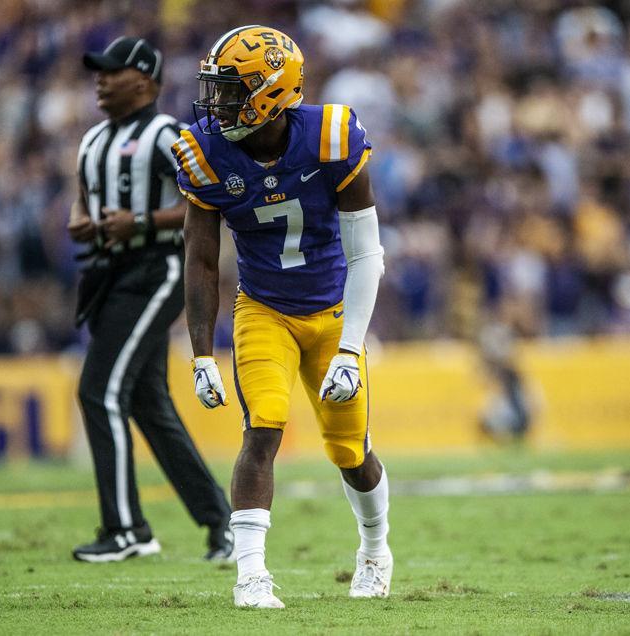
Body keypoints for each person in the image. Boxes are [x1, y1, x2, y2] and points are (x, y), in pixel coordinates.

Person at [172, 26, 392, 608]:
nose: (216, 103)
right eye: (215, 90)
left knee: (350, 450)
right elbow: (198, 260)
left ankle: (375, 548)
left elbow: (367, 253)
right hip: (263, 308)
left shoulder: (332, 137)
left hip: (333, 308)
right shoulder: (205, 152)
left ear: (271, 92)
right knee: (263, 427)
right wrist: (200, 352)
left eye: (230, 90)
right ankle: (250, 574)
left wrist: (350, 348)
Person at [68, 36, 233, 563]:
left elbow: (205, 199)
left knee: (99, 390)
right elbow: (83, 194)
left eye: (111, 71)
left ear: (144, 80)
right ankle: (219, 521)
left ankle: (126, 529)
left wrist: (139, 221)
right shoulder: (93, 138)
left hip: (156, 268)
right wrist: (80, 218)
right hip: (108, 273)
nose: (100, 79)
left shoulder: (167, 135)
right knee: (147, 401)